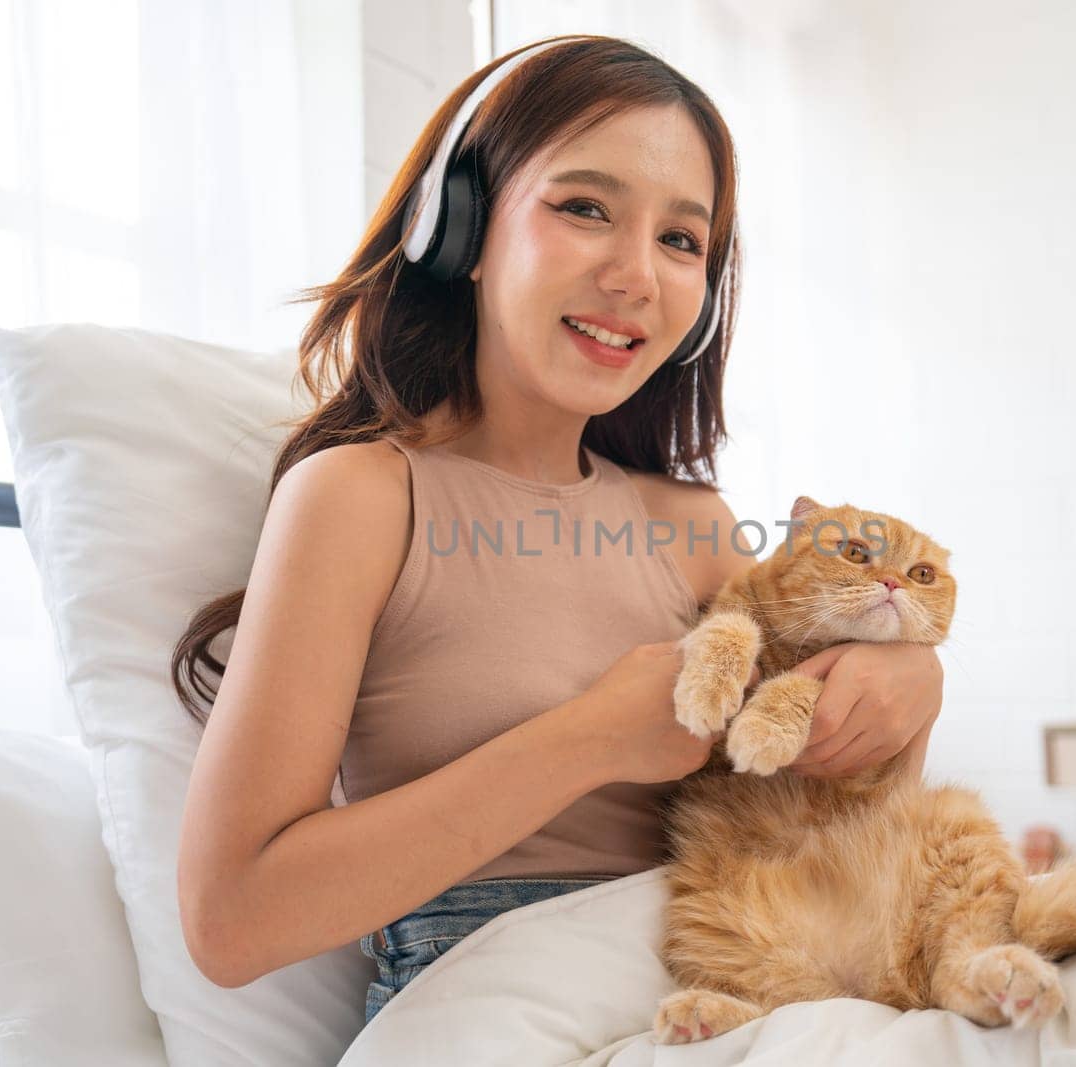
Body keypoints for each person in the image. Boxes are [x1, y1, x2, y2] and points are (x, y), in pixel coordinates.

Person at [168, 34, 944, 1025]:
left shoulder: (698, 527)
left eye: (680, 239)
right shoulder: (359, 497)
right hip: (491, 1006)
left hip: (722, 985)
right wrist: (589, 740)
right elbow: (232, 919)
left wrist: (901, 701)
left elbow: (825, 851)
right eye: (584, 209)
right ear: (460, 232)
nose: (636, 276)